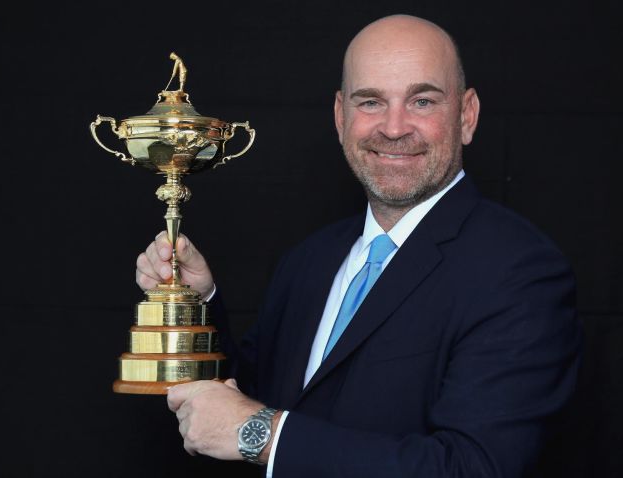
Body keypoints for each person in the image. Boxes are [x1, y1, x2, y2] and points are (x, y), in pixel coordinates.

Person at [135, 14, 581, 477]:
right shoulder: (309, 261)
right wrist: (196, 301)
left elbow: (473, 468)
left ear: (466, 116)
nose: (393, 127)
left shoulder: (520, 272)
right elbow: (246, 399)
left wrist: (266, 436)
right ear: (340, 115)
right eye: (370, 102)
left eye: (422, 101)